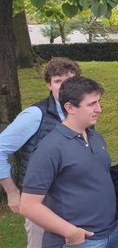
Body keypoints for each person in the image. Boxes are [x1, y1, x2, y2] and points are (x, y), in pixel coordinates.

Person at [19, 76, 118, 248]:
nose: (99, 109)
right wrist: (70, 232)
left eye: (98, 102)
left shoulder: (96, 137)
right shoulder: (50, 148)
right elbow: (28, 205)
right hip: (78, 241)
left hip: (112, 233)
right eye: (91, 104)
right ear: (70, 107)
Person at [0, 57, 80, 248]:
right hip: (41, 204)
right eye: (58, 81)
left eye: (69, 81)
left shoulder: (81, 112)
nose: (63, 86)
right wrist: (12, 192)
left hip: (73, 200)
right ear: (48, 84)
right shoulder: (36, 115)